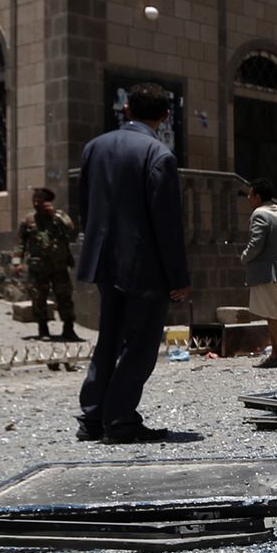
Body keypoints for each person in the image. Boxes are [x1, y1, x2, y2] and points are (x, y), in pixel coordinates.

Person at [75, 83, 191, 444]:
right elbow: (167, 224)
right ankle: (121, 418)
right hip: (144, 266)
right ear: (165, 115)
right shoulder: (159, 155)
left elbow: (85, 206)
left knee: (108, 337)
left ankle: (92, 417)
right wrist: (179, 276)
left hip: (103, 260)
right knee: (139, 345)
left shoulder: (94, 148)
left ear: (126, 108)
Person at [241, 178, 277, 369]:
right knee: (273, 313)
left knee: (274, 316)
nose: (249, 198)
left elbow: (256, 244)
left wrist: (245, 257)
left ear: (257, 196)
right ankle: (276, 352)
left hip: (270, 273)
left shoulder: (260, 214)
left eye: (250, 195)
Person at [20, 187, 79, 342]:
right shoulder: (28, 220)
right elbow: (20, 243)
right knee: (39, 297)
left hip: (59, 265)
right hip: (38, 267)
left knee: (64, 296)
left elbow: (72, 232)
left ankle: (68, 328)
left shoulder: (59, 216)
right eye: (35, 199)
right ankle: (43, 328)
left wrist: (56, 217)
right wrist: (16, 262)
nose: (36, 202)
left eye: (40, 199)